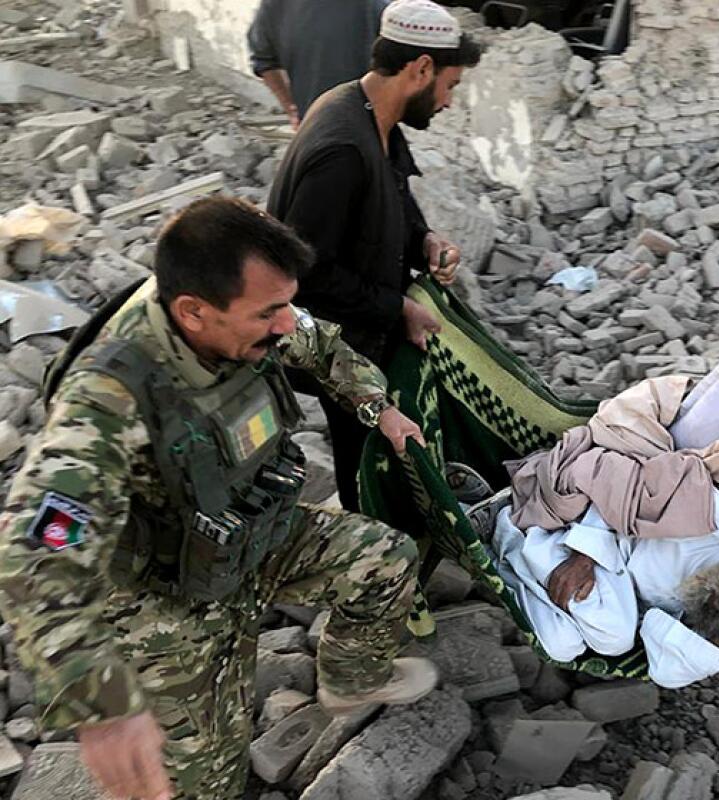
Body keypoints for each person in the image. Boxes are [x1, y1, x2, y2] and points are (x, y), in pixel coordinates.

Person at [0, 197, 439, 800]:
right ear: (193, 313)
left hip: (250, 530)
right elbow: (32, 556)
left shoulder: (253, 314)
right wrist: (103, 705)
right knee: (208, 781)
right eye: (269, 312)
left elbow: (321, 346)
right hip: (170, 600)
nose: (286, 323)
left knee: (384, 560)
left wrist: (379, 407)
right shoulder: (107, 399)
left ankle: (351, 681)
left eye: (287, 303)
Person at [268, 0, 482, 512]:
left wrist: (423, 239)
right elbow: (307, 272)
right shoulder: (341, 147)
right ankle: (375, 565)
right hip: (336, 346)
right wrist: (398, 309)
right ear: (421, 69)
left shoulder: (368, 115)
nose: (448, 102)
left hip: (365, 331)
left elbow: (392, 196)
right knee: (369, 473)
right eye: (449, 86)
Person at [489, 490, 719, 684]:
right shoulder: (708, 510)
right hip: (584, 550)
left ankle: (496, 555)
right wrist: (584, 556)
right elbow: (623, 488)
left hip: (608, 604)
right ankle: (510, 530)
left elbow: (692, 659)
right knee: (616, 636)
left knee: (561, 645)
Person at [247, 0, 390, 128]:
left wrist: (291, 108)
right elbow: (263, 59)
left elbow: (263, 59)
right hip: (355, 127)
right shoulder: (276, 6)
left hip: (331, 128)